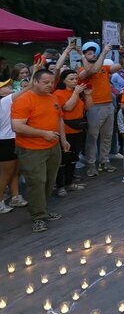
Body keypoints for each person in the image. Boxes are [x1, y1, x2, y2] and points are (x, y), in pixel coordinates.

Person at [10, 70, 68, 232]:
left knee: (50, 180)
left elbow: (59, 118)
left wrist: (63, 140)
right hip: (31, 150)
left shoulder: (53, 97)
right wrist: (43, 134)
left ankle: (42, 209)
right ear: (35, 81)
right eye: (46, 82)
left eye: (51, 82)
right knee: (37, 182)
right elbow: (17, 126)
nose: (50, 85)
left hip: (53, 147)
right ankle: (38, 217)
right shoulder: (24, 100)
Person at [78, 43, 122, 177]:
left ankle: (104, 161)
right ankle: (91, 164)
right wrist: (104, 53)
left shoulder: (104, 67)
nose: (93, 54)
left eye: (93, 52)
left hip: (108, 104)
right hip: (94, 106)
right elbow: (92, 71)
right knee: (92, 137)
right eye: (89, 53)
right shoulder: (81, 70)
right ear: (84, 57)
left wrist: (121, 53)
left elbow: (120, 66)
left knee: (107, 136)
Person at [53, 70, 93, 195]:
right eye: (71, 79)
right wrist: (76, 92)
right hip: (66, 129)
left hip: (79, 128)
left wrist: (87, 95)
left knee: (73, 158)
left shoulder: (79, 92)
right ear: (63, 80)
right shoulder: (59, 93)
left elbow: (89, 107)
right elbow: (68, 107)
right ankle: (60, 186)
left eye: (76, 78)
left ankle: (69, 183)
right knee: (63, 159)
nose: (75, 81)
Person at [0, 78, 29, 213]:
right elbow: (28, 88)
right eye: (5, 86)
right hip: (6, 141)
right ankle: (0, 202)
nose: (9, 86)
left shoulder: (7, 101)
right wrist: (36, 70)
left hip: (12, 139)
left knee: (15, 171)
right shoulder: (4, 101)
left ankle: (15, 196)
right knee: (5, 174)